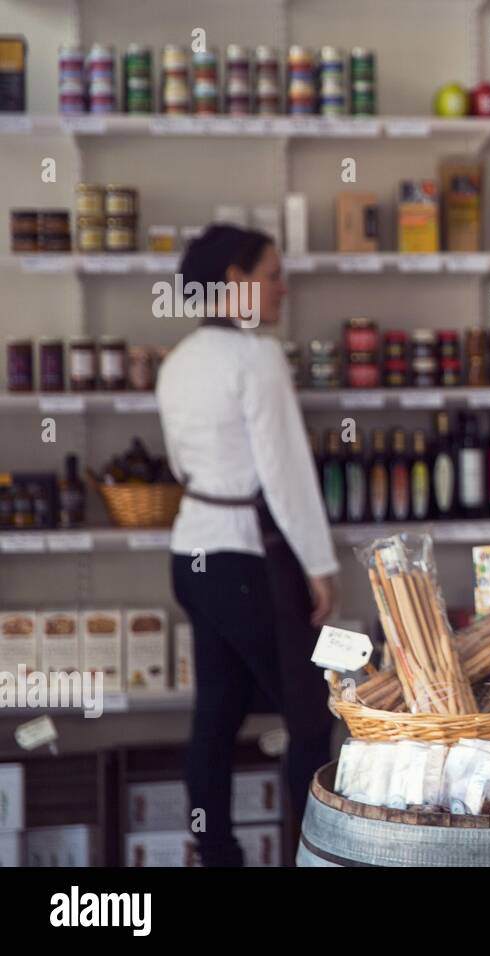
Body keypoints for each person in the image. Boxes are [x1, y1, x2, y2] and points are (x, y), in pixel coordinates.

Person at [156, 224, 337, 866]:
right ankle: (316, 851)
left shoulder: (178, 361)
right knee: (310, 713)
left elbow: (182, 464)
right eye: (272, 274)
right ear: (235, 281)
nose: (283, 289)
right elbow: (285, 474)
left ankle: (218, 853)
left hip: (192, 554)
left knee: (217, 712)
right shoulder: (257, 357)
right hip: (243, 558)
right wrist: (320, 565)